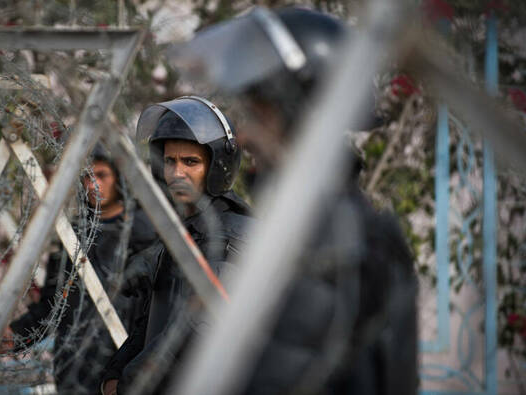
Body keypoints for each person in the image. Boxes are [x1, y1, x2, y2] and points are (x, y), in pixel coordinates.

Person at [169, 6, 418, 395]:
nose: (245, 136)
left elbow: (275, 378)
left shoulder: (326, 235)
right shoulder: (316, 221)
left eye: (258, 114)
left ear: (300, 114)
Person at [101, 96, 253, 395]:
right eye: (170, 161)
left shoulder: (232, 236)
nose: (177, 173)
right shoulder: (186, 229)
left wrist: (132, 380)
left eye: (191, 162)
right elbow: (155, 317)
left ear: (217, 166)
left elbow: (195, 331)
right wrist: (116, 370)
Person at [6, 145, 157, 394]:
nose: (93, 184)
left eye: (101, 175)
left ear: (119, 178)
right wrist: (17, 334)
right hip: (76, 365)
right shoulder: (72, 236)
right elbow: (54, 304)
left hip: (126, 363)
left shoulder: (144, 233)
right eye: (87, 176)